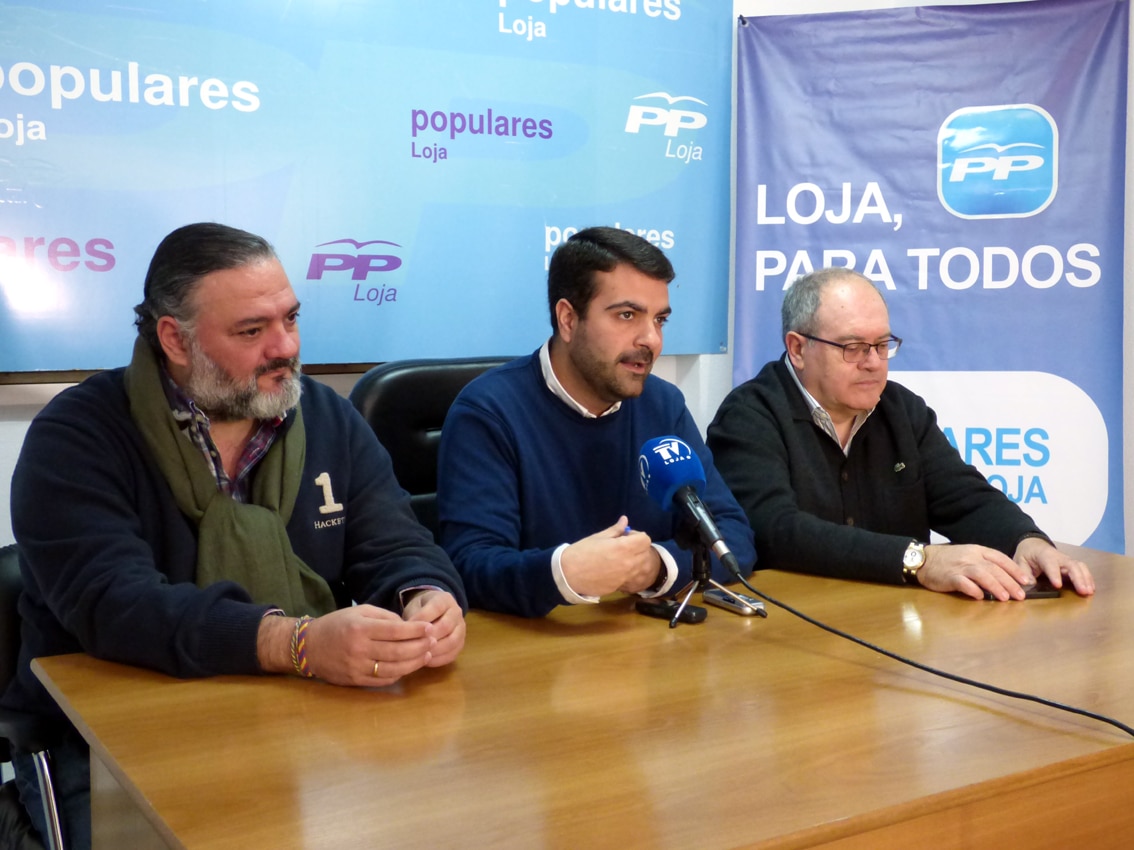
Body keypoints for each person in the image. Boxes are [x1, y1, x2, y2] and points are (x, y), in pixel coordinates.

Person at [3, 223, 467, 849]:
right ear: (175, 338)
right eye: (252, 331)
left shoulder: (327, 417)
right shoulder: (78, 436)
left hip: (297, 714)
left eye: (291, 319)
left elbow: (397, 544)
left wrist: (426, 596)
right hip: (103, 738)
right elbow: (115, 607)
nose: (286, 348)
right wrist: (297, 643)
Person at [706, 267, 1094, 601]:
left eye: (882, 345)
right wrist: (919, 560)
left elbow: (963, 496)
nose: (873, 363)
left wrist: (1025, 540)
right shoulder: (749, 416)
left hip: (896, 629)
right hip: (792, 632)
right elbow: (775, 530)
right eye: (854, 347)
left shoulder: (901, 409)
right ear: (798, 348)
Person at [436, 226, 755, 618]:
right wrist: (564, 573)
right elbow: (469, 565)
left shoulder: (662, 404)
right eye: (627, 315)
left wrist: (655, 567)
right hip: (539, 655)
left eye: (660, 320)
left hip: (647, 654)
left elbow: (732, 536)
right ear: (568, 319)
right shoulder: (489, 412)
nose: (651, 340)